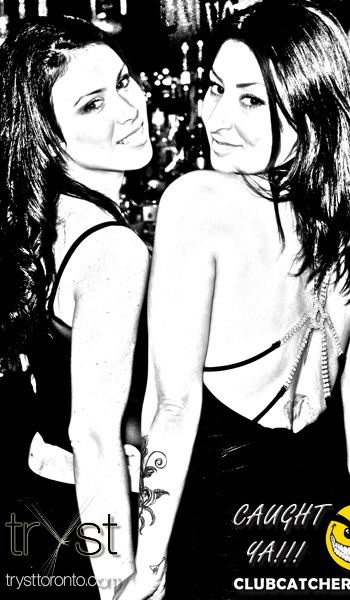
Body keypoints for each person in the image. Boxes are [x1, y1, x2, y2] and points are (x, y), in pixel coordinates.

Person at [115, 2, 350, 599]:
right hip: (324, 529)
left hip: (220, 534)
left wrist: (147, 565)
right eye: (216, 89)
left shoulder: (196, 204)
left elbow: (174, 409)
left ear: (310, 108)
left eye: (252, 100)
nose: (216, 117)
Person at [0, 16, 151, 599]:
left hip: (41, 503)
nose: (129, 108)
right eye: (92, 104)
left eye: (124, 82)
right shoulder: (113, 248)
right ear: (48, 135)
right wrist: (118, 581)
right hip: (93, 521)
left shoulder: (44, 220)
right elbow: (93, 435)